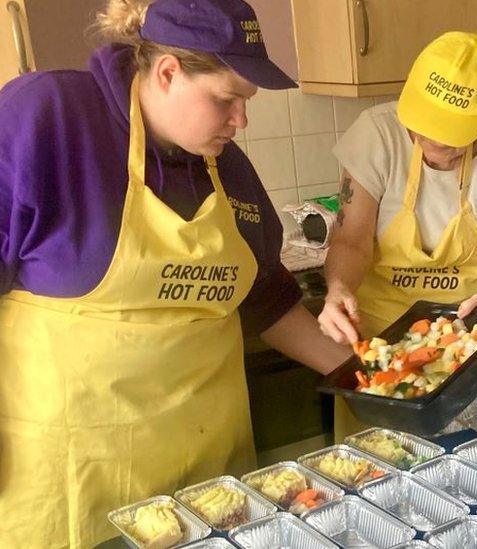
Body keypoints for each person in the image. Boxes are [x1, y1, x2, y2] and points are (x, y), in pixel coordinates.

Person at [0, 0, 348, 545]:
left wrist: (369, 377)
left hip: (207, 473)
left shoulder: (227, 166)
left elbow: (265, 298)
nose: (242, 120)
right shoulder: (48, 116)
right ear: (167, 72)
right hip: (76, 470)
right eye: (227, 99)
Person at [318, 32, 477, 439]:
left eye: (452, 136)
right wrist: (338, 289)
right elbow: (351, 241)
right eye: (424, 130)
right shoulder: (376, 134)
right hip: (377, 349)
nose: (435, 144)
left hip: (464, 349)